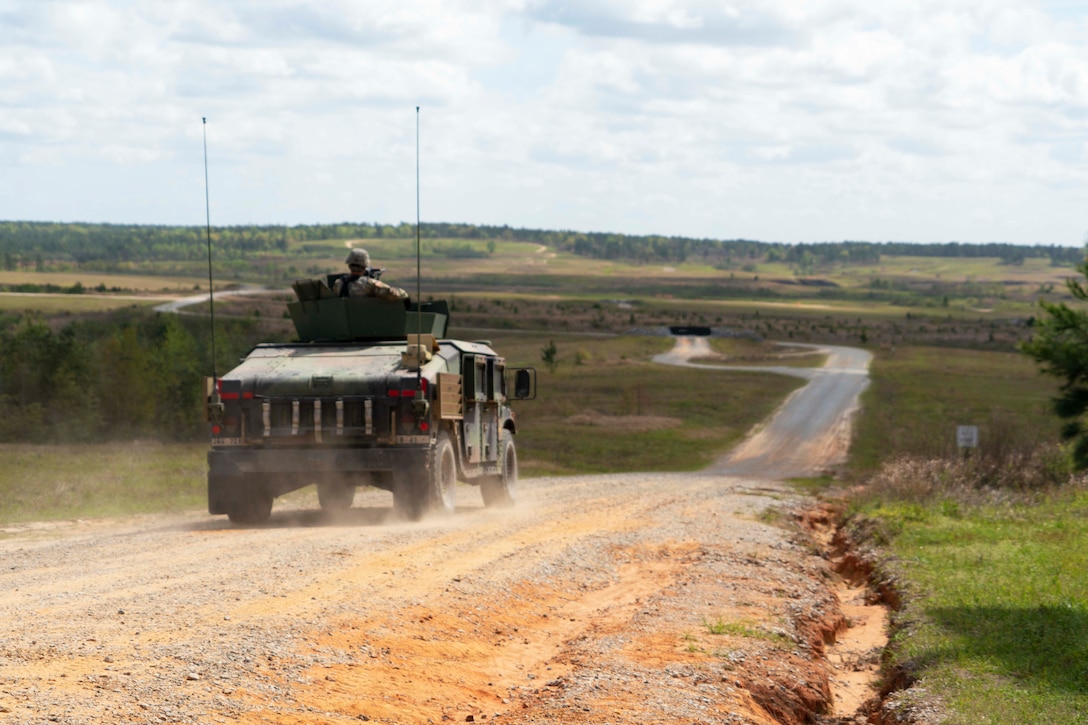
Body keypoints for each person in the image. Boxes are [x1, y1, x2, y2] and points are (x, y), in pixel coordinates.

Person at [333, 248, 409, 301]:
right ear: (364, 267)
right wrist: (404, 294)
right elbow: (394, 294)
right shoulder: (370, 284)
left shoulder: (338, 283)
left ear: (349, 265)